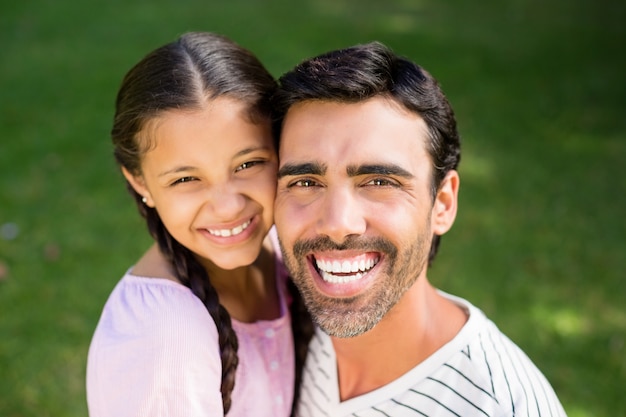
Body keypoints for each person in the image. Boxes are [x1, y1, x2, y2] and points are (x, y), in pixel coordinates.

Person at [271, 41, 567, 416]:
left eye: (379, 182)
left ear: (442, 203)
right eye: (306, 182)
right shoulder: (277, 300)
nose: (337, 224)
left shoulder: (499, 405)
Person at [86, 32, 312, 417]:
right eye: (186, 179)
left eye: (247, 164)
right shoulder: (166, 338)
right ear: (140, 182)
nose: (227, 207)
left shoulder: (282, 247)